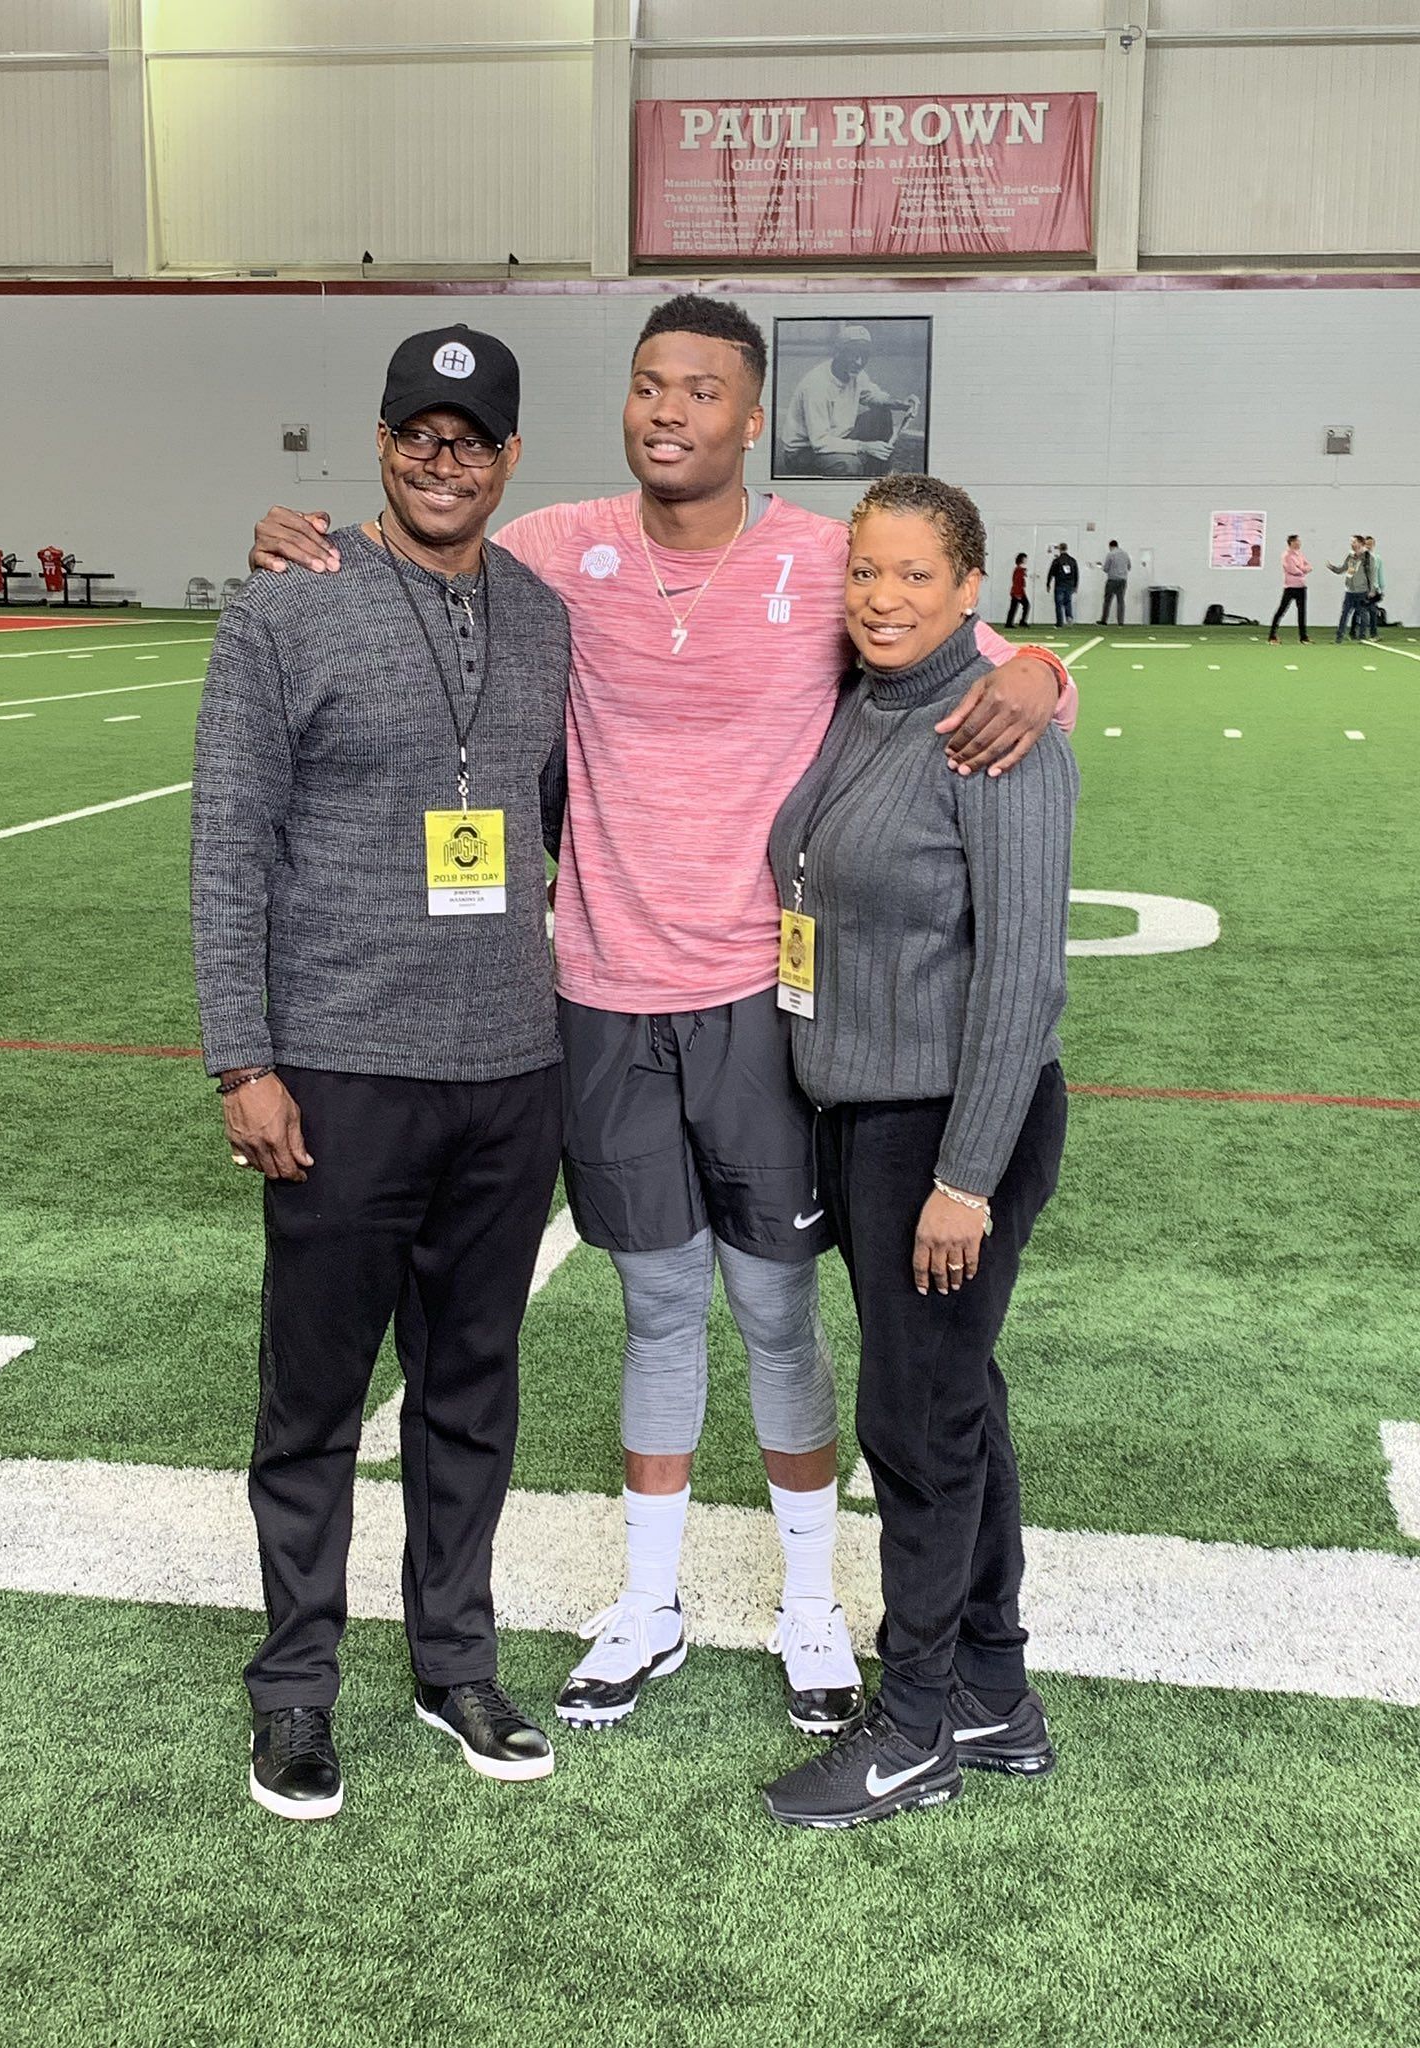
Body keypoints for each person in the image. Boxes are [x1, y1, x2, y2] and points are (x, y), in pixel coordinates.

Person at [247, 294, 1075, 1751]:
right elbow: (413, 553)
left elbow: (983, 656)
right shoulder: (559, 546)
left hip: (764, 1001)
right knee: (653, 1306)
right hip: (598, 993)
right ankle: (650, 1602)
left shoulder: (828, 562)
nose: (670, 410)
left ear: (754, 417)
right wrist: (298, 542)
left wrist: (1041, 670)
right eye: (647, 386)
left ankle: (814, 1606)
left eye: (703, 389)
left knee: (774, 1311)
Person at [192, 324, 570, 1821]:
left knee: (472, 1390)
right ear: (382, 441)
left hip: (507, 1069)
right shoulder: (285, 610)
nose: (441, 459)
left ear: (510, 460)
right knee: (316, 1403)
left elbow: (542, 814)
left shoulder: (544, 617)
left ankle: (452, 1659)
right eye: (417, 433)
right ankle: (294, 1690)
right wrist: (244, 1059)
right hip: (340, 1072)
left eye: (470, 440)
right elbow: (231, 848)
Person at [763, 473, 1077, 1828]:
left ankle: (913, 1729)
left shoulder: (994, 730)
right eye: (864, 572)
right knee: (958, 1400)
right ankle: (997, 1692)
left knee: (918, 1422)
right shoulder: (869, 701)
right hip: (867, 1117)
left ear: (970, 590)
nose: (882, 598)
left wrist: (963, 1178)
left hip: (949, 1127)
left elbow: (1021, 979)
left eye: (913, 577)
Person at [778, 323, 919, 478]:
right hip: (803, 452)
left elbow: (872, 395)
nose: (859, 362)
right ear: (837, 352)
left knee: (881, 414)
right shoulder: (817, 386)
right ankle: (855, 477)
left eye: (864, 355)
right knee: (848, 465)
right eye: (853, 354)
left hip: (839, 436)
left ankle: (877, 477)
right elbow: (820, 442)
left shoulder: (856, 373)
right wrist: (864, 447)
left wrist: (899, 404)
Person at [1329, 535, 1376, 643]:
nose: (1352, 544)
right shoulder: (1350, 557)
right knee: (1344, 614)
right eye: (1351, 542)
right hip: (1349, 591)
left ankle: (1362, 637)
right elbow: (1343, 569)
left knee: (1363, 614)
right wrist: (1333, 568)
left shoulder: (1368, 558)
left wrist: (1372, 589)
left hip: (1362, 591)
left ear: (1360, 543)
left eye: (1354, 542)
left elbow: (1372, 574)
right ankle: (1339, 637)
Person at [1268, 535, 1311, 644]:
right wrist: (1302, 570)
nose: (1299, 543)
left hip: (1301, 587)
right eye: (1297, 541)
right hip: (1290, 587)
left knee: (1302, 613)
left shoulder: (1300, 554)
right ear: (1291, 542)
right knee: (1281, 611)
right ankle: (1272, 636)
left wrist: (1301, 569)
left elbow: (1309, 566)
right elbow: (1292, 570)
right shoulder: (1286, 555)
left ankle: (1303, 637)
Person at [1098, 540, 1130, 625]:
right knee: (1120, 601)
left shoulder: (1110, 554)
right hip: (1123, 580)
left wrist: (1101, 566)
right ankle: (1120, 622)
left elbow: (1106, 569)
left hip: (1112, 580)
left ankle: (1104, 620)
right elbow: (1129, 567)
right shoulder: (1125, 554)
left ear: (1111, 546)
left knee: (1107, 600)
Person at [1046, 543, 1078, 626]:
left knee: (1059, 603)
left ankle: (1060, 622)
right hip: (1069, 584)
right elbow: (1076, 574)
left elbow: (1051, 573)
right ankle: (1069, 617)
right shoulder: (1072, 560)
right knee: (1068, 601)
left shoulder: (1057, 561)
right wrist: (1075, 585)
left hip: (1059, 584)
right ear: (1066, 549)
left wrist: (1048, 584)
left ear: (1060, 549)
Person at [1363, 535, 1384, 640]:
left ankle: (1373, 633)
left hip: (1373, 589)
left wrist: (1380, 588)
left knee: (1372, 610)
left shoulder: (1377, 558)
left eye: (1370, 544)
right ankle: (1355, 632)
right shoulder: (1360, 558)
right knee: (1359, 611)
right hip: (1361, 588)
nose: (1369, 546)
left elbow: (1380, 574)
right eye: (1367, 544)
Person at [1005, 553, 1030, 630]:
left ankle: (1013, 622)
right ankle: (1011, 622)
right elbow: (1017, 582)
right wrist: (1018, 593)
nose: (1026, 560)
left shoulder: (1019, 570)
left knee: (1020, 606)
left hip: (1019, 591)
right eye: (1025, 558)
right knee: (1018, 607)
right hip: (1018, 591)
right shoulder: (1019, 570)